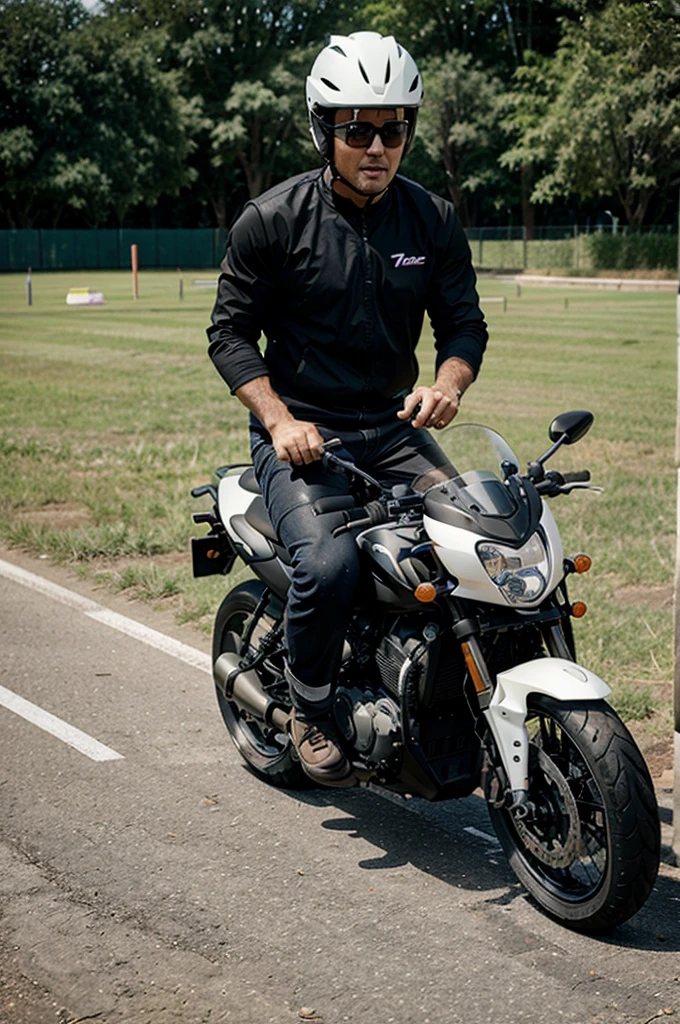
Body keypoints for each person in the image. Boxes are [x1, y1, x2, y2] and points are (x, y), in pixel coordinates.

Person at [207, 31, 488, 788]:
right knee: (328, 564)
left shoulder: (431, 220)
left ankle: (460, 702)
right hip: (306, 439)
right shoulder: (272, 220)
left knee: (479, 543)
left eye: (393, 129)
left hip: (397, 431)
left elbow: (463, 324)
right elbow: (229, 334)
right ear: (322, 129)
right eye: (356, 128)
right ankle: (310, 703)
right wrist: (278, 420)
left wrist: (449, 383)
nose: (376, 146)